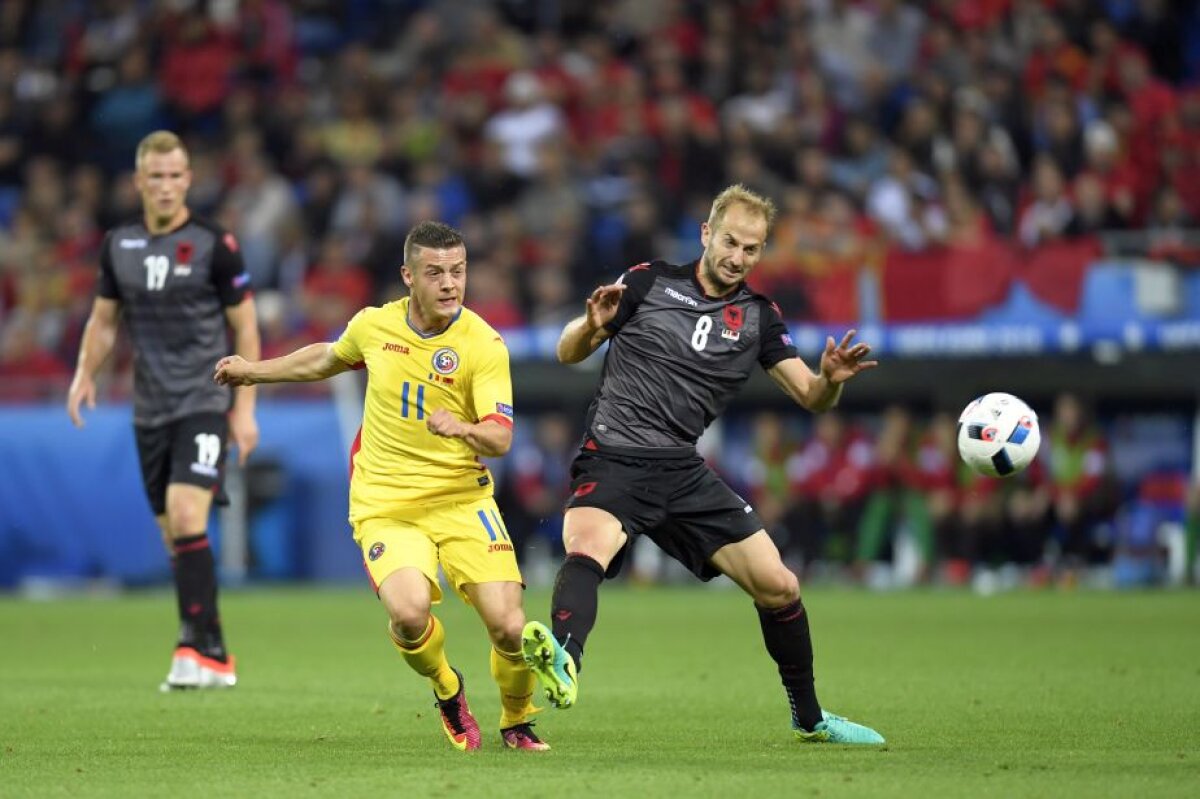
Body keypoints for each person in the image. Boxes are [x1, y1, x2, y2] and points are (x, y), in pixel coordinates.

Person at [521, 184, 886, 744]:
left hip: (683, 471)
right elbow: (567, 352)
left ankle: (810, 717)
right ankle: (566, 661)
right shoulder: (648, 282)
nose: (739, 257)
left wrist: (830, 382)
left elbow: (810, 396)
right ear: (707, 234)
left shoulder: (760, 318)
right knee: (587, 545)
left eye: (753, 249)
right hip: (615, 456)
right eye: (731, 242)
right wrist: (592, 326)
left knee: (780, 586)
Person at [213, 221, 549, 752]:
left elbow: (501, 437)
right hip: (386, 503)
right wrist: (254, 371)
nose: (449, 283)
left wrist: (463, 428)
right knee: (410, 613)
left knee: (509, 626)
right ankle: (447, 688)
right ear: (408, 276)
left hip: (462, 498)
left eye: (458, 271)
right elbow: (326, 357)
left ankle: (516, 720)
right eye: (435, 272)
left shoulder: (484, 344)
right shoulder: (374, 326)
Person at [66, 130, 260, 691]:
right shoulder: (118, 245)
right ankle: (214, 650)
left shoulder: (214, 244)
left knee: (186, 516)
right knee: (175, 537)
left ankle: (190, 647)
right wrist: (85, 372)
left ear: (189, 180)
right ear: (139, 182)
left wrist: (244, 408)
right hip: (148, 409)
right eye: (157, 176)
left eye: (176, 175)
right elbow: (104, 320)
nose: (167, 186)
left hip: (204, 400)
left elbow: (245, 324)